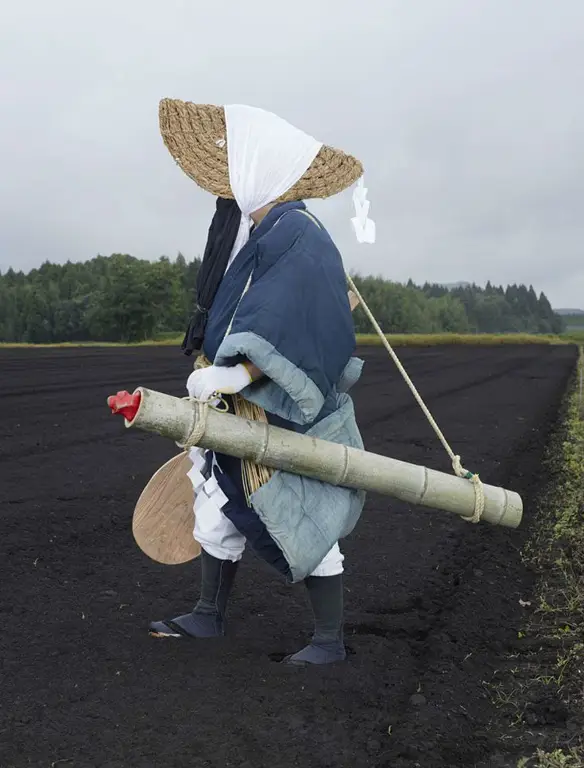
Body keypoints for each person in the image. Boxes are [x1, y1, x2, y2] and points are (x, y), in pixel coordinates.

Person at [149, 100, 375, 665]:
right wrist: (221, 374)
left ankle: (329, 640)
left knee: (300, 510)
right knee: (216, 502)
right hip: (237, 407)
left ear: (261, 165)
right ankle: (208, 613)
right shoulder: (259, 231)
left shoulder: (298, 231)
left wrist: (239, 370)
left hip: (280, 408)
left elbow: (295, 315)